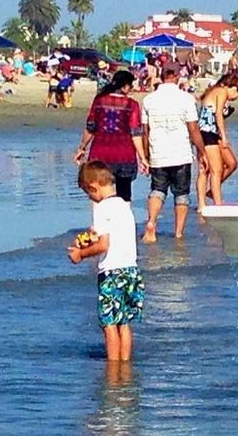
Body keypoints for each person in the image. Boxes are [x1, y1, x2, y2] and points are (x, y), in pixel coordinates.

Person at [68, 161, 144, 362]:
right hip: (131, 270)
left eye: (89, 193)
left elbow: (104, 245)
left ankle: (112, 368)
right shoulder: (123, 205)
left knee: (109, 323)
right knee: (124, 322)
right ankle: (125, 365)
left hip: (111, 272)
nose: (91, 198)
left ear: (93, 187)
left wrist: (80, 255)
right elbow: (111, 236)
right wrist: (88, 239)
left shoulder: (102, 208)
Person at [141, 68, 209, 242]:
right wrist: (202, 151)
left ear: (162, 76)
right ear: (177, 77)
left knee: (157, 190)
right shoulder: (186, 99)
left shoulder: (148, 100)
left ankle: (151, 222)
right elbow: (193, 129)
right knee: (181, 194)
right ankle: (178, 233)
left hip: (158, 153)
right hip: (180, 153)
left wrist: (146, 155)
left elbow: (145, 132)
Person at [75, 71, 150, 203]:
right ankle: (124, 221)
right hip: (124, 154)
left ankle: (99, 222)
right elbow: (135, 133)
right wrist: (143, 158)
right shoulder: (131, 104)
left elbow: (91, 128)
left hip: (100, 152)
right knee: (124, 192)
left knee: (98, 191)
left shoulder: (99, 101)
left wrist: (82, 148)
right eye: (131, 86)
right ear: (126, 86)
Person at [195, 73, 238, 213]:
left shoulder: (215, 92)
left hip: (211, 132)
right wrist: (224, 136)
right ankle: (216, 205)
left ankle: (211, 193)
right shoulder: (221, 91)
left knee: (231, 163)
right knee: (213, 170)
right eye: (237, 94)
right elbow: (217, 115)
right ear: (233, 88)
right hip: (206, 133)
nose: (235, 98)